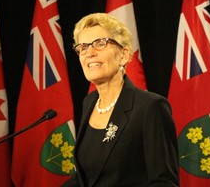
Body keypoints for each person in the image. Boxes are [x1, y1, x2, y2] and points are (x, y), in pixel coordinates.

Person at [62, 13, 179, 186]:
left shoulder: (150, 107)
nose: (90, 53)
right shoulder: (89, 103)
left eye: (100, 44)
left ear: (123, 55)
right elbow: (85, 178)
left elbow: (164, 182)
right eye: (83, 47)